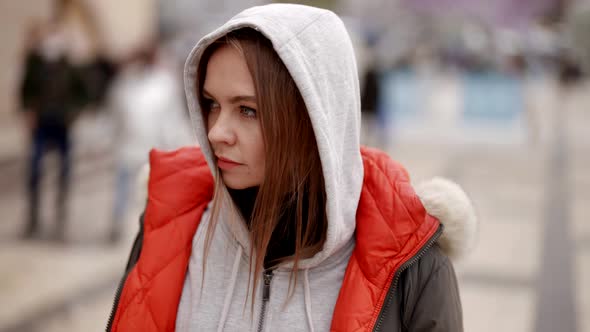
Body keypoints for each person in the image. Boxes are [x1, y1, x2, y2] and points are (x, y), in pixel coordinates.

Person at [107, 4, 477, 331]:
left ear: (315, 119)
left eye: (247, 110)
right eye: (212, 104)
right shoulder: (171, 227)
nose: (216, 132)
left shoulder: (412, 266)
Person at [19, 20, 85, 240]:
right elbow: (25, 90)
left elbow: (82, 92)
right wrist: (29, 111)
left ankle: (60, 217)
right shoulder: (35, 62)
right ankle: (33, 217)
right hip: (42, 122)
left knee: (64, 171)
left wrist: (72, 114)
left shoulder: (69, 65)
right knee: (35, 169)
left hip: (62, 124)